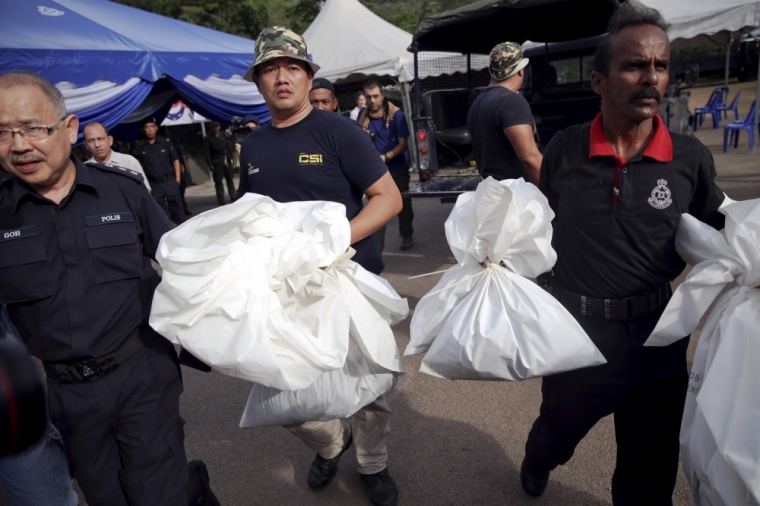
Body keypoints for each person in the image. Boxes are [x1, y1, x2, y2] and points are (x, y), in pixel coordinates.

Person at [520, 6, 726, 505]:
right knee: (558, 433)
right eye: (634, 66)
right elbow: (537, 228)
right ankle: (538, 458)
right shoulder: (566, 150)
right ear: (599, 80)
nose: (651, 77)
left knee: (649, 476)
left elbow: (722, 234)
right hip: (579, 336)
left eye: (660, 65)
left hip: (659, 335)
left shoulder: (689, 157)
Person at [0, 71, 218, 506]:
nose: (19, 145)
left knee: (157, 494)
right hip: (66, 393)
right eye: (3, 133)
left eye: (33, 129)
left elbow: (186, 264)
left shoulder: (123, 193)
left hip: (141, 374)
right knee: (106, 497)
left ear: (69, 128)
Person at [238, 26, 403, 506]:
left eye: (292, 67)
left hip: (345, 281)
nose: (281, 78)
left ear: (309, 77)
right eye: (270, 69)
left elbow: (387, 198)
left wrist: (329, 242)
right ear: (258, 82)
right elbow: (250, 217)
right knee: (284, 392)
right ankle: (332, 443)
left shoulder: (340, 132)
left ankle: (373, 465)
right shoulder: (253, 146)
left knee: (368, 391)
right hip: (284, 288)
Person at [466, 41, 542, 184]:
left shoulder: (477, 103)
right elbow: (530, 158)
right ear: (520, 70)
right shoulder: (512, 102)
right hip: (513, 194)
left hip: (490, 190)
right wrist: (557, 191)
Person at [358, 80, 412, 251]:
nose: (372, 100)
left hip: (397, 168)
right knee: (377, 208)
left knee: (403, 203)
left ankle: (406, 234)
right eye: (368, 97)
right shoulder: (362, 115)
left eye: (375, 96)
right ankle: (378, 247)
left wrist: (386, 156)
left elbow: (404, 144)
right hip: (375, 172)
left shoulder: (397, 115)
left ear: (382, 95)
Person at [131, 117, 186, 223]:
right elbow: (136, 165)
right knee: (160, 214)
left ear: (156, 128)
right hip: (153, 184)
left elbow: (175, 160)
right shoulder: (140, 146)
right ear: (143, 130)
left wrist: (177, 180)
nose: (150, 130)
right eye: (147, 127)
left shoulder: (165, 142)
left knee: (178, 211)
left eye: (152, 126)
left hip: (169, 181)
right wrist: (144, 184)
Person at [83, 121, 151, 192]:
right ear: (86, 145)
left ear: (110, 140)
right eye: (91, 141)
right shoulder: (84, 170)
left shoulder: (129, 162)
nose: (97, 145)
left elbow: (146, 192)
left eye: (100, 139)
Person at [204, 121, 235, 205]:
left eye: (217, 127)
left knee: (230, 179)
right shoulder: (207, 138)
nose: (216, 128)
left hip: (226, 159)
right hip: (216, 161)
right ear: (211, 128)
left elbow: (228, 146)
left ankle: (233, 195)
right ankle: (221, 200)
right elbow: (207, 152)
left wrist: (231, 157)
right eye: (214, 127)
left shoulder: (223, 135)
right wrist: (210, 164)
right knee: (218, 182)